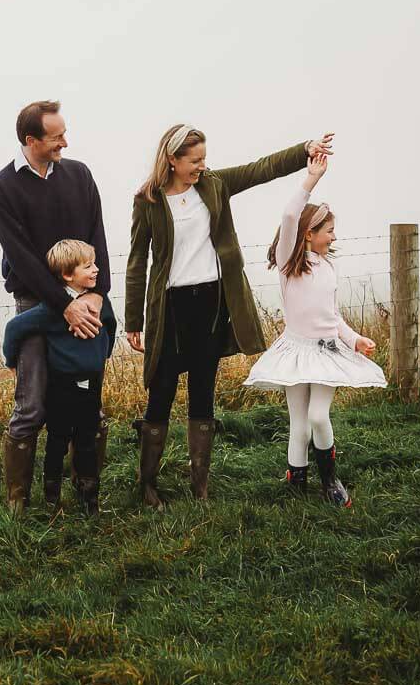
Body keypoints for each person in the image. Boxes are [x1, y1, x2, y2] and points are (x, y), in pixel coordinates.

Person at [125, 124, 334, 507]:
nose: (201, 167)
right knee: (162, 394)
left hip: (209, 303)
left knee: (203, 393)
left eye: (204, 159)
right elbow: (138, 261)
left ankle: (199, 486)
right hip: (169, 308)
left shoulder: (214, 185)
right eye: (194, 160)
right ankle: (148, 485)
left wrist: (304, 149)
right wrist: (134, 321)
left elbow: (261, 169)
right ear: (171, 160)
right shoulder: (149, 200)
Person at [0, 100, 111, 514]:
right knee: (33, 404)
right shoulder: (1, 188)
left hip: (85, 299)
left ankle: (84, 490)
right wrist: (63, 306)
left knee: (85, 400)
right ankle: (18, 504)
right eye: (56, 137)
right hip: (35, 303)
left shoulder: (79, 175)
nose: (65, 142)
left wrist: (95, 295)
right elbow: (21, 258)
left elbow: (97, 233)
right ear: (31, 140)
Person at [243, 151, 387, 506]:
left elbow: (332, 315)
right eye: (330, 230)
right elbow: (290, 213)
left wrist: (354, 339)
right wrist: (312, 178)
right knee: (298, 422)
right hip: (295, 351)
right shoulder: (289, 264)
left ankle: (329, 480)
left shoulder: (326, 268)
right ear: (309, 234)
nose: (334, 237)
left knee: (318, 416)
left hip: (326, 352)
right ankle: (296, 483)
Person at [1, 240, 117, 515]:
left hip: (92, 385)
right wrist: (10, 361)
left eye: (95, 263)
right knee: (57, 441)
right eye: (88, 266)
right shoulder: (52, 309)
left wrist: (103, 354)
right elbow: (14, 328)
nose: (97, 270)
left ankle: (90, 496)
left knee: (88, 437)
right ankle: (51, 495)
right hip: (61, 388)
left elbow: (110, 325)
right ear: (67, 275)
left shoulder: (100, 303)